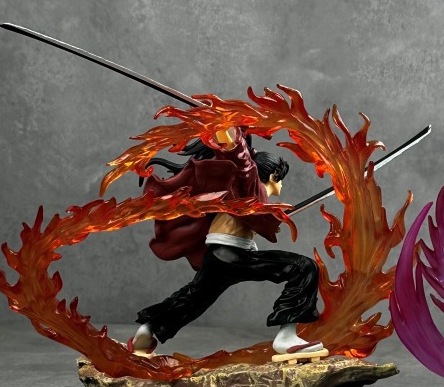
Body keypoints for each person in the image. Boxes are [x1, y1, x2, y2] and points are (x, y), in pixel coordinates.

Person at [128, 126, 324, 357]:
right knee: (304, 267)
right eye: (281, 180)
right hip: (233, 254)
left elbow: (253, 217)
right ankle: (286, 337)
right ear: (273, 177)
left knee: (194, 298)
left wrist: (269, 221)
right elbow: (241, 159)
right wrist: (226, 126)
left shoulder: (244, 193)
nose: (282, 186)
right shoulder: (250, 183)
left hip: (218, 256)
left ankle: (147, 330)